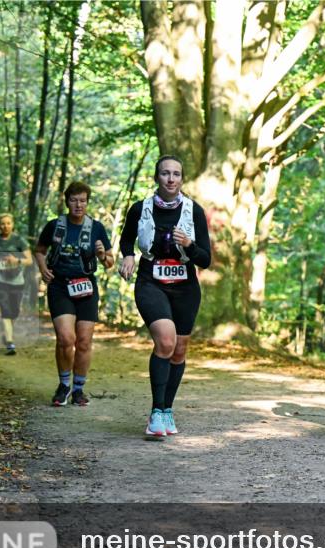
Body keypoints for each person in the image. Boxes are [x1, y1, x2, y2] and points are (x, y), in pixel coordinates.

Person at [119, 156, 212, 438]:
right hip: (151, 282)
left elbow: (205, 259)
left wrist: (190, 245)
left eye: (176, 174)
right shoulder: (140, 209)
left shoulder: (194, 211)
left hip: (185, 286)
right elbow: (126, 238)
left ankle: (168, 410)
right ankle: (156, 412)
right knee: (166, 340)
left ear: (182, 179)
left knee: (180, 350)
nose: (171, 179)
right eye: (165, 174)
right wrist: (128, 256)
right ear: (157, 177)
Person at [34, 182, 114, 406]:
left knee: (85, 341)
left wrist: (101, 255)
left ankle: (78, 389)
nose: (78, 205)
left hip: (86, 287)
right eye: (74, 200)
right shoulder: (55, 226)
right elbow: (39, 251)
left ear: (88, 202)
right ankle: (63, 385)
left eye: (83, 200)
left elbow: (109, 262)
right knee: (66, 339)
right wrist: (43, 269)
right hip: (60, 286)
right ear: (66, 201)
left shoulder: (96, 228)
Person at [0, 213, 32, 355]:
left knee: (14, 311)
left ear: (13, 224)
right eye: (2, 224)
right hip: (0, 278)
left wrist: (17, 261)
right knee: (5, 309)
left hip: (17, 279)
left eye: (8, 223)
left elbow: (29, 260)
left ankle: (7, 334)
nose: (5, 226)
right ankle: (10, 343)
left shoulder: (19, 240)